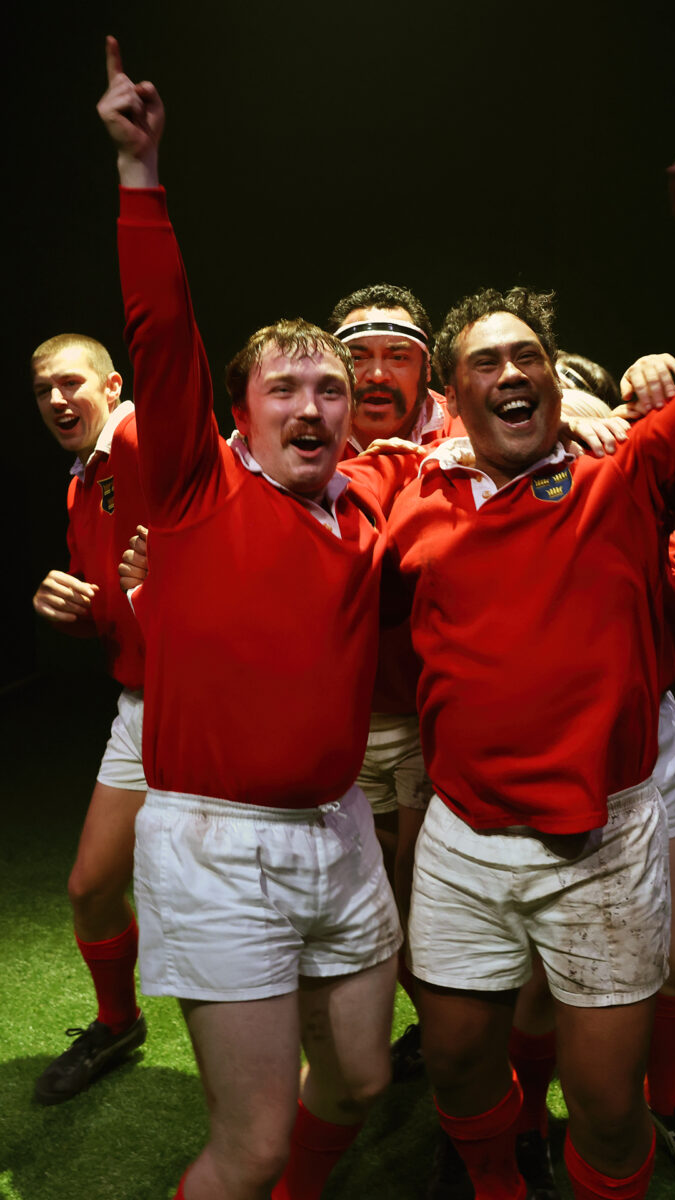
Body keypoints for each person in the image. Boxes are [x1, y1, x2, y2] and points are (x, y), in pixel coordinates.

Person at [384, 157, 675, 1200]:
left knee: (609, 1109)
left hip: (599, 837)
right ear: (450, 397)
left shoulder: (622, 478)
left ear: (557, 378)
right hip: (461, 840)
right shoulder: (409, 506)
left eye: (530, 355)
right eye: (486, 361)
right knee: (457, 1061)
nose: (510, 371)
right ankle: (494, 1182)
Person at [97, 37, 423, 1200]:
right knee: (252, 1142)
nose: (312, 403)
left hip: (339, 833)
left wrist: (593, 397)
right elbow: (160, 331)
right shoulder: (195, 487)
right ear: (234, 411)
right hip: (217, 845)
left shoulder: (367, 498)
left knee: (361, 1085)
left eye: (329, 386)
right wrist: (142, 174)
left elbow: (472, 446)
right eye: (282, 385)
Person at [31, 333, 147, 1104]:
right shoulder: (82, 481)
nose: (56, 400)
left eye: (70, 383)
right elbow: (110, 613)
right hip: (143, 705)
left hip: (218, 706)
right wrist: (65, 610)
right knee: (90, 887)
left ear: (111, 386)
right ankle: (118, 1021)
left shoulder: (139, 438)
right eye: (42, 391)